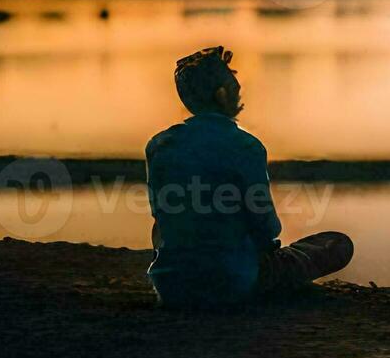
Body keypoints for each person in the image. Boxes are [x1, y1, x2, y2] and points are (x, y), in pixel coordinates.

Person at [144, 46, 353, 308]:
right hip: (232, 283)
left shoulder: (159, 145)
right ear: (222, 94)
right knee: (337, 244)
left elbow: (160, 215)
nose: (239, 92)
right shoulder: (247, 147)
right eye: (234, 86)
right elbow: (267, 228)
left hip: (172, 287)